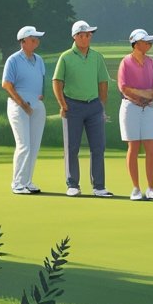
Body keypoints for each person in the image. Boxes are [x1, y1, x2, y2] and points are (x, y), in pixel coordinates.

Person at [52, 20, 112, 197]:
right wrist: (63, 104)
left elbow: (103, 82)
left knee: (98, 147)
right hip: (73, 106)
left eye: (89, 35)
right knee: (72, 147)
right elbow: (57, 82)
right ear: (75, 36)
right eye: (84, 35)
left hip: (93, 106)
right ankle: (73, 184)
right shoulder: (66, 57)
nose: (87, 38)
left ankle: (99, 186)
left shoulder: (96, 57)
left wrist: (101, 106)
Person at [118, 28, 153, 201]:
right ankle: (136, 188)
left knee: (151, 148)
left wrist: (149, 95)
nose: (149, 44)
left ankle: (151, 188)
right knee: (134, 147)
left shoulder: (152, 63)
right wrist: (145, 94)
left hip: (149, 108)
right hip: (130, 107)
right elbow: (124, 88)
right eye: (146, 41)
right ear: (136, 44)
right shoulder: (126, 62)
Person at [1, 25, 47, 194]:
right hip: (18, 106)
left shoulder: (39, 60)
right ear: (24, 41)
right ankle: (18, 183)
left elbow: (42, 81)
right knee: (24, 145)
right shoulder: (13, 60)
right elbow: (7, 84)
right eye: (34, 38)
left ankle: (27, 181)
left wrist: (41, 96)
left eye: (37, 38)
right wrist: (23, 104)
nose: (37, 41)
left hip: (36, 105)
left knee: (34, 146)